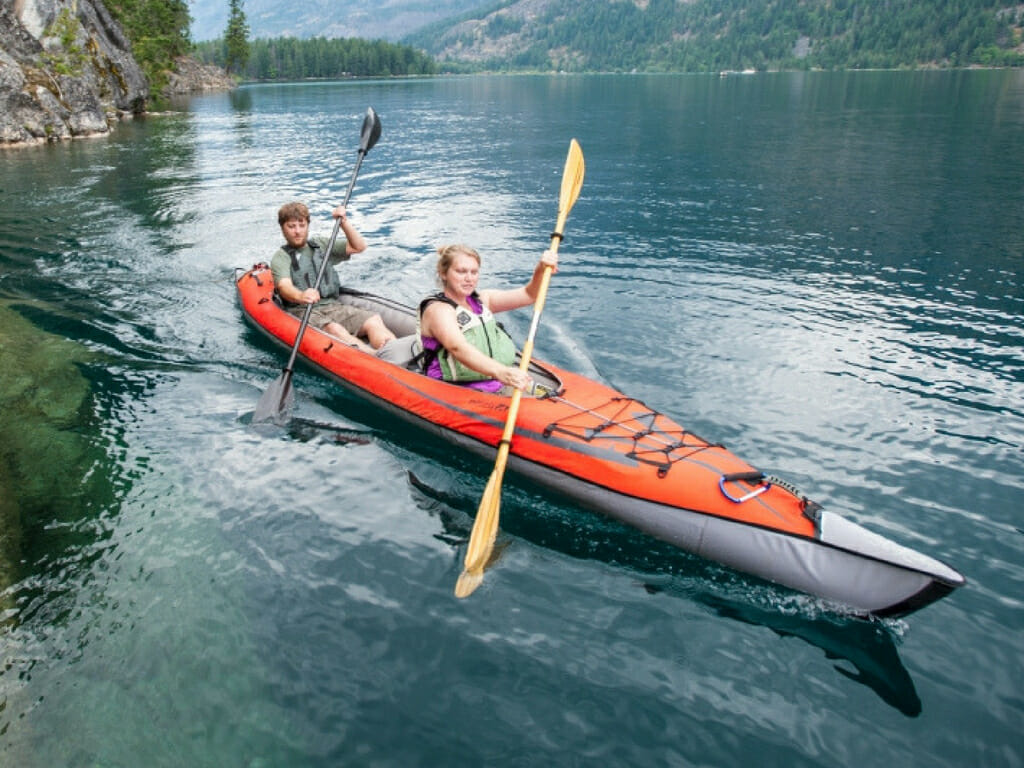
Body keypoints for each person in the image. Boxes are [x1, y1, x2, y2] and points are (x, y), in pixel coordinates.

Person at [418, 244, 558, 394]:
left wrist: (541, 270)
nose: (469, 278)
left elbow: (529, 295)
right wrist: (501, 372)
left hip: (493, 380)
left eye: (474, 272)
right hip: (455, 388)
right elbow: (457, 347)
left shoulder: (483, 300)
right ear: (443, 273)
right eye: (461, 271)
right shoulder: (438, 310)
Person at [270, 201, 396, 353]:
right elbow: (284, 287)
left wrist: (344, 223)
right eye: (291, 226)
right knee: (335, 329)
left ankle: (394, 353)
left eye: (301, 225)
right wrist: (301, 295)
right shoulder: (281, 258)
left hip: (332, 305)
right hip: (303, 310)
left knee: (373, 320)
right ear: (283, 228)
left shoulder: (320, 245)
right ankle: (377, 360)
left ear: (308, 226)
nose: (297, 231)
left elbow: (358, 247)